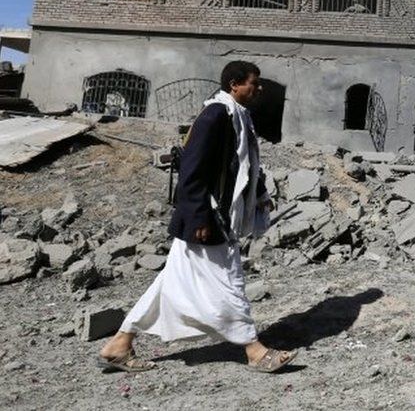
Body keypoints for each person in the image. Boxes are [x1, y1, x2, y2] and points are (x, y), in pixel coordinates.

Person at [97, 61, 298, 374]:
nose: (259, 89)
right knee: (228, 281)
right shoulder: (215, 114)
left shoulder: (238, 114)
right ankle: (255, 350)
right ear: (234, 84)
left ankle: (119, 343)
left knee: (171, 283)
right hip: (209, 219)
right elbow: (192, 170)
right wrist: (198, 218)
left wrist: (258, 196)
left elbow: (241, 163)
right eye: (253, 83)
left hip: (219, 216)